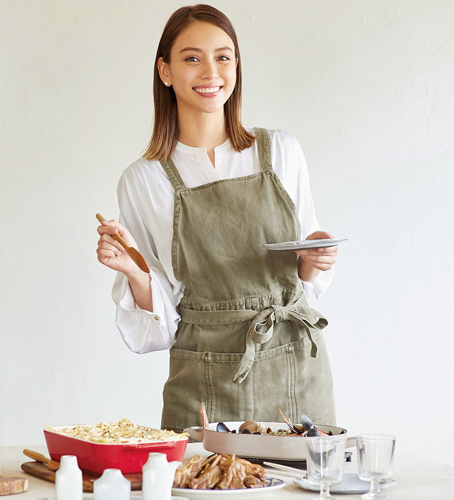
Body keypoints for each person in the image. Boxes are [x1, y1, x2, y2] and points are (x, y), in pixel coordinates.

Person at [96, 4, 339, 432]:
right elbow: (162, 324)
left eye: (223, 57)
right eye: (192, 58)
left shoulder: (281, 150)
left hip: (294, 366)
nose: (211, 72)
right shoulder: (144, 179)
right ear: (165, 71)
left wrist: (312, 258)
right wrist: (132, 271)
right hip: (202, 379)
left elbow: (302, 277)